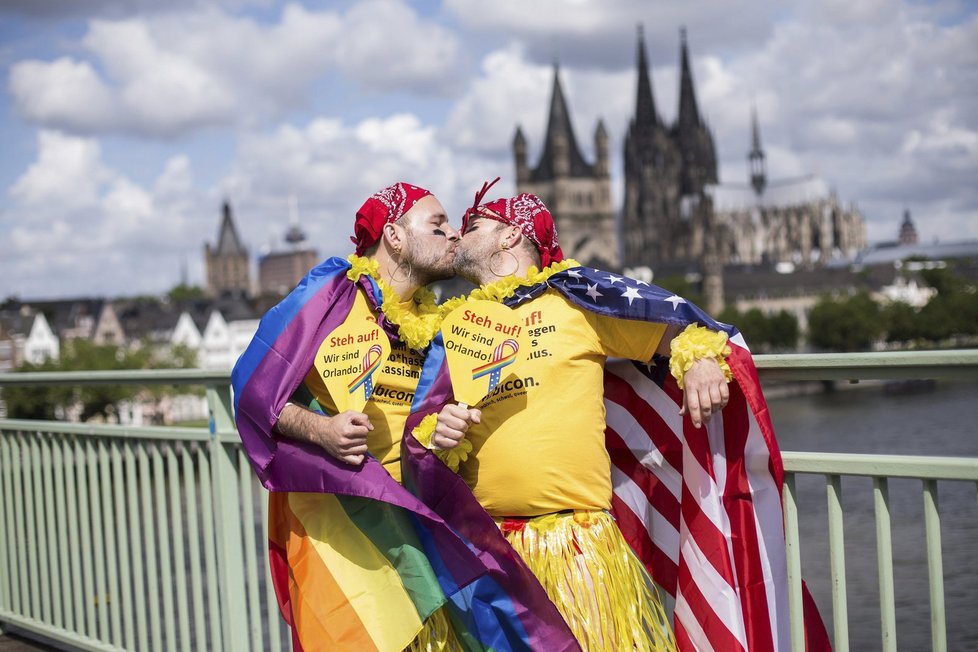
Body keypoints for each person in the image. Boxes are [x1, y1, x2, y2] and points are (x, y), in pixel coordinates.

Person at [412, 189, 732, 650]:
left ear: (511, 235)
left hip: (573, 548)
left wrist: (699, 359)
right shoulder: (454, 322)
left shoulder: (578, 302)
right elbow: (424, 419)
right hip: (482, 549)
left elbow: (682, 327)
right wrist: (437, 433)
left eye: (475, 225)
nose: (459, 235)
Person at [232, 182, 470, 651]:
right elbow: (251, 387)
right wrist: (322, 429)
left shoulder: (438, 321)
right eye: (438, 225)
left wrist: (443, 430)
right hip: (340, 528)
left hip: (414, 524)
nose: (454, 234)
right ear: (394, 236)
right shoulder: (333, 294)